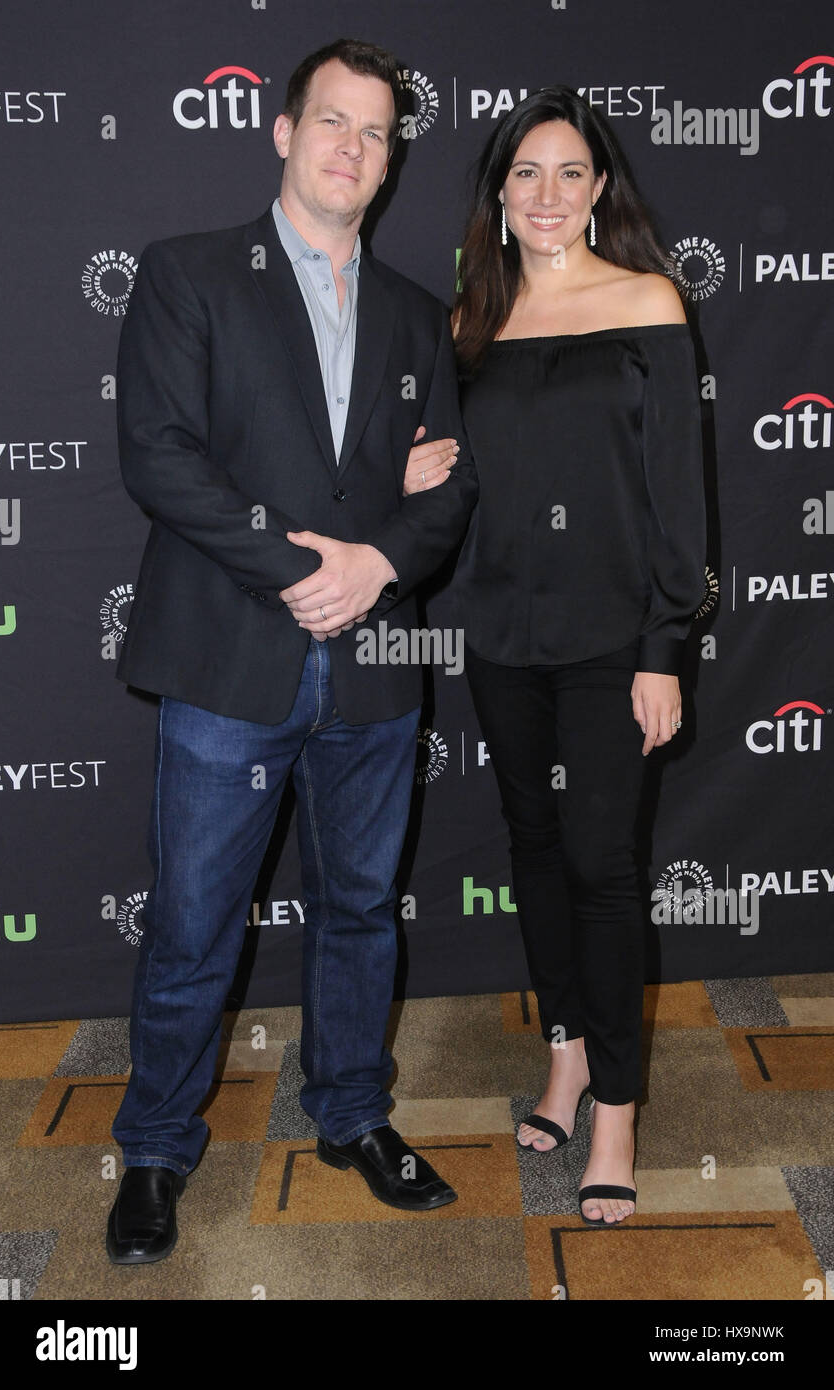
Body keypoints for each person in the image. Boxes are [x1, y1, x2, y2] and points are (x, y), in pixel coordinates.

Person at [106, 38, 478, 1265]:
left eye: (376, 134)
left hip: (371, 667)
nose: (351, 148)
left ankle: (353, 1115)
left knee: (362, 909)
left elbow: (443, 491)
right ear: (282, 130)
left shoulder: (424, 317)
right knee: (196, 921)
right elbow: (160, 457)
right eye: (332, 122)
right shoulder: (188, 275)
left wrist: (378, 564)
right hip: (229, 661)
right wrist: (307, 565)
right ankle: (156, 1146)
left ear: (389, 160)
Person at [405, 87, 706, 1226]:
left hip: (612, 643)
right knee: (533, 842)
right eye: (522, 173)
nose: (545, 194)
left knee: (601, 862)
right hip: (499, 634)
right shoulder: (465, 327)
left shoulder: (645, 302)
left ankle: (617, 1105)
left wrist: (661, 646)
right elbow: (458, 478)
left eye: (568, 172)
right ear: (495, 192)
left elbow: (677, 502)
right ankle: (567, 1056)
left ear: (600, 188)